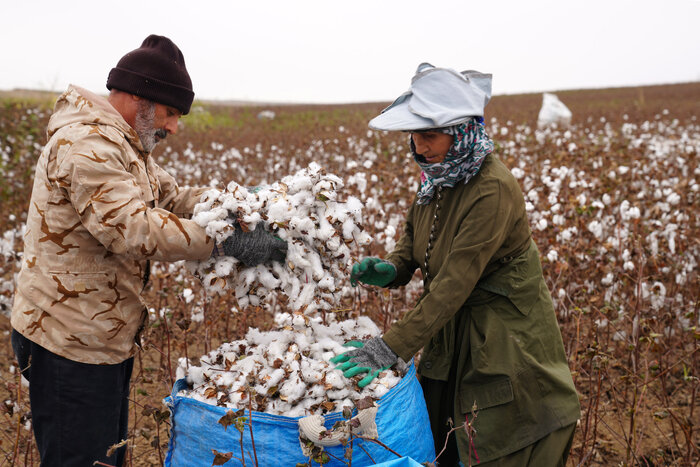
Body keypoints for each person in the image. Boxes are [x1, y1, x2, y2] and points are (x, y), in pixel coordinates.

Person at [10, 34, 286, 466]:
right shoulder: (87, 146)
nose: (174, 127)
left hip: (101, 334)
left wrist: (240, 204)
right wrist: (226, 240)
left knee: (104, 456)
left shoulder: (126, 145)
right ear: (139, 98)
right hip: (69, 341)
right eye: (171, 112)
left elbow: (172, 199)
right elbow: (133, 227)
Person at [332, 63, 580, 466]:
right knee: (441, 427)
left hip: (504, 332)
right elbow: (416, 243)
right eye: (413, 134)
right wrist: (394, 268)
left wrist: (388, 349)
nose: (418, 145)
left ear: (461, 131)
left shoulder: (491, 189)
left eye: (429, 134)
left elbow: (452, 284)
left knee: (500, 430)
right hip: (453, 328)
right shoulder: (437, 178)